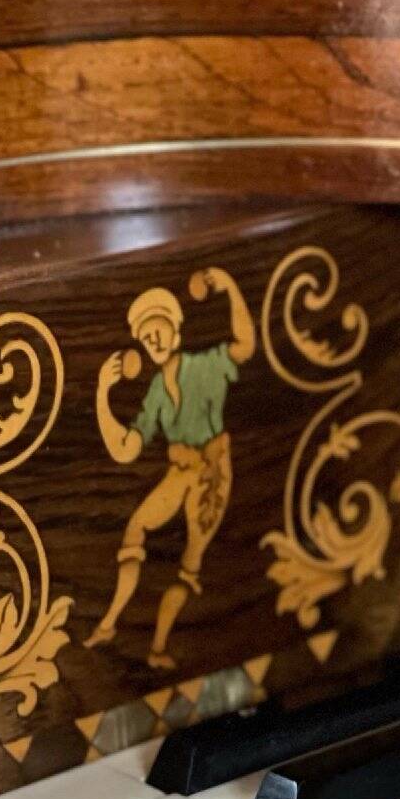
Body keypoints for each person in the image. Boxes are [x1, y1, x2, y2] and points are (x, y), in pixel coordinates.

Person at [84, 267, 255, 668]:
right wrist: (101, 395)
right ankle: (109, 623)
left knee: (190, 562)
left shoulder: (206, 366)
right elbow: (126, 448)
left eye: (157, 330)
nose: (152, 340)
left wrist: (229, 286)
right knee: (136, 527)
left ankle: (159, 648)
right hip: (179, 472)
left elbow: (245, 345)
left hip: (213, 472)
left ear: (175, 332)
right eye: (145, 337)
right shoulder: (157, 389)